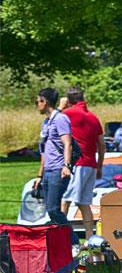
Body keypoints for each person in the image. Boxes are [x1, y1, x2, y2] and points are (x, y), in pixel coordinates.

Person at [59, 85, 104, 238]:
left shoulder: (68, 113)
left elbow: (54, 121)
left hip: (76, 165)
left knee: (65, 200)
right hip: (91, 164)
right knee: (84, 203)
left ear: (69, 100)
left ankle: (60, 235)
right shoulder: (93, 117)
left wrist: (60, 106)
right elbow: (101, 145)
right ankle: (90, 236)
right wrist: (99, 166)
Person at [31, 87, 73, 228]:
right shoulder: (46, 122)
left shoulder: (61, 119)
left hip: (58, 170)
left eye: (38, 101)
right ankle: (63, 243)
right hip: (48, 171)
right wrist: (39, 175)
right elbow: (44, 151)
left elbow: (68, 144)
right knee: (51, 211)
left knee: (53, 209)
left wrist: (67, 166)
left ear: (45, 101)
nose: (37, 104)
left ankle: (72, 242)